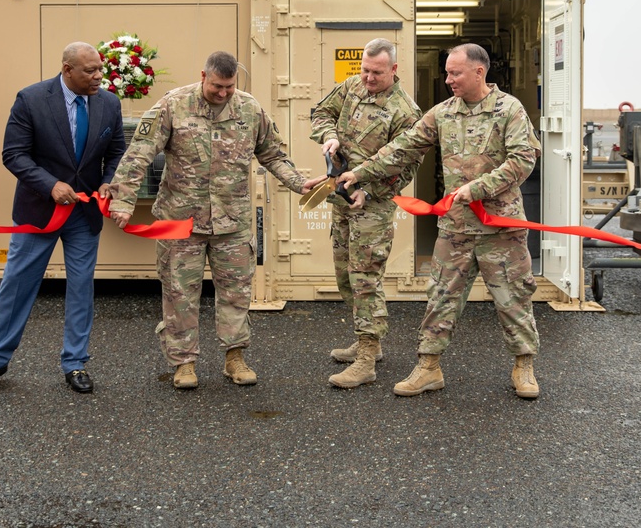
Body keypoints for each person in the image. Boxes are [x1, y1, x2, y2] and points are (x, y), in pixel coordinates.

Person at [108, 51, 325, 390]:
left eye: (229, 87)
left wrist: (299, 183)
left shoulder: (250, 109)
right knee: (179, 293)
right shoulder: (172, 105)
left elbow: (273, 154)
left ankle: (235, 357)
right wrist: (123, 198)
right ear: (203, 76)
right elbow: (139, 153)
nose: (223, 93)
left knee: (236, 293)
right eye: (216, 86)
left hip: (232, 222)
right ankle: (183, 363)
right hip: (181, 221)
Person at [337, 43, 543, 399]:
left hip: (501, 229)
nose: (448, 80)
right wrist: (358, 173)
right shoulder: (443, 113)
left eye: (455, 73)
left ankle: (523, 365)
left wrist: (478, 188)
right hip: (455, 228)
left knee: (513, 298)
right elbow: (403, 146)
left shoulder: (509, 109)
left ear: (479, 72)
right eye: (447, 73)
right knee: (440, 298)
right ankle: (428, 366)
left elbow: (522, 160)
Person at [0, 42, 126, 395]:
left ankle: (75, 364)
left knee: (81, 287)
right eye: (90, 71)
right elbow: (13, 155)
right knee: (17, 285)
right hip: (38, 213)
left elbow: (117, 151)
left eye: (100, 69)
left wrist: (107, 180)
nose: (98, 76)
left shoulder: (109, 103)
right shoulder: (31, 99)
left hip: (84, 215)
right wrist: (50, 185)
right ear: (67, 70)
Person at [309, 38, 422, 388]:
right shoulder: (351, 87)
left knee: (365, 279)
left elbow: (407, 167)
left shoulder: (405, 112)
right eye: (364, 70)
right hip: (341, 199)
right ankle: (366, 343)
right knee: (345, 275)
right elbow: (321, 112)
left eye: (376, 72)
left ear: (394, 70)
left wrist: (369, 189)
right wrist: (329, 137)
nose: (368, 78)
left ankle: (366, 358)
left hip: (371, 206)